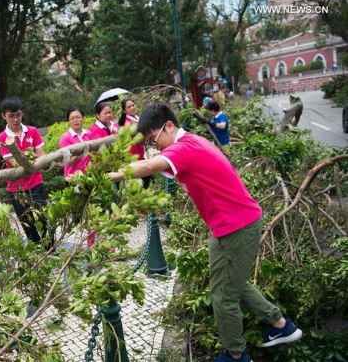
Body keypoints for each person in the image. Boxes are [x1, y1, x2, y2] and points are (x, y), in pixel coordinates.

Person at [109, 103, 302, 362]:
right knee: (232, 285)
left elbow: (147, 167)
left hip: (238, 226)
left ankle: (236, 355)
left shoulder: (184, 147)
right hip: (229, 226)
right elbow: (153, 162)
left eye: (155, 140)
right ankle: (279, 325)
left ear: (169, 126)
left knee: (223, 298)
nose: (157, 147)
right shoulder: (191, 142)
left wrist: (104, 175)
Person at [0, 97, 53, 250]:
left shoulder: (32, 131)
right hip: (16, 188)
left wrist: (29, 156)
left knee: (43, 218)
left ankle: (51, 249)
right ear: (3, 116)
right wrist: (29, 155)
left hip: (35, 182)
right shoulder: (2, 138)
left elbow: (42, 155)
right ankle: (37, 253)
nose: (16, 119)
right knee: (27, 223)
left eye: (18, 115)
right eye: (11, 116)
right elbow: (15, 163)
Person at [59, 107, 95, 246]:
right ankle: (79, 243)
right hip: (74, 179)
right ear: (68, 121)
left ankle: (92, 242)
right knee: (81, 213)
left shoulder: (89, 134)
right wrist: (79, 154)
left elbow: (95, 153)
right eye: (72, 118)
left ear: (83, 118)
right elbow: (65, 162)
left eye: (78, 117)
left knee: (93, 208)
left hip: (90, 177)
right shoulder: (66, 138)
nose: (76, 120)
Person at [119, 98, 152, 189]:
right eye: (129, 107)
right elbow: (140, 137)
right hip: (133, 156)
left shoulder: (138, 118)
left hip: (140, 153)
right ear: (124, 111)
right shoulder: (128, 123)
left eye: (133, 105)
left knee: (146, 178)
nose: (132, 108)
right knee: (140, 181)